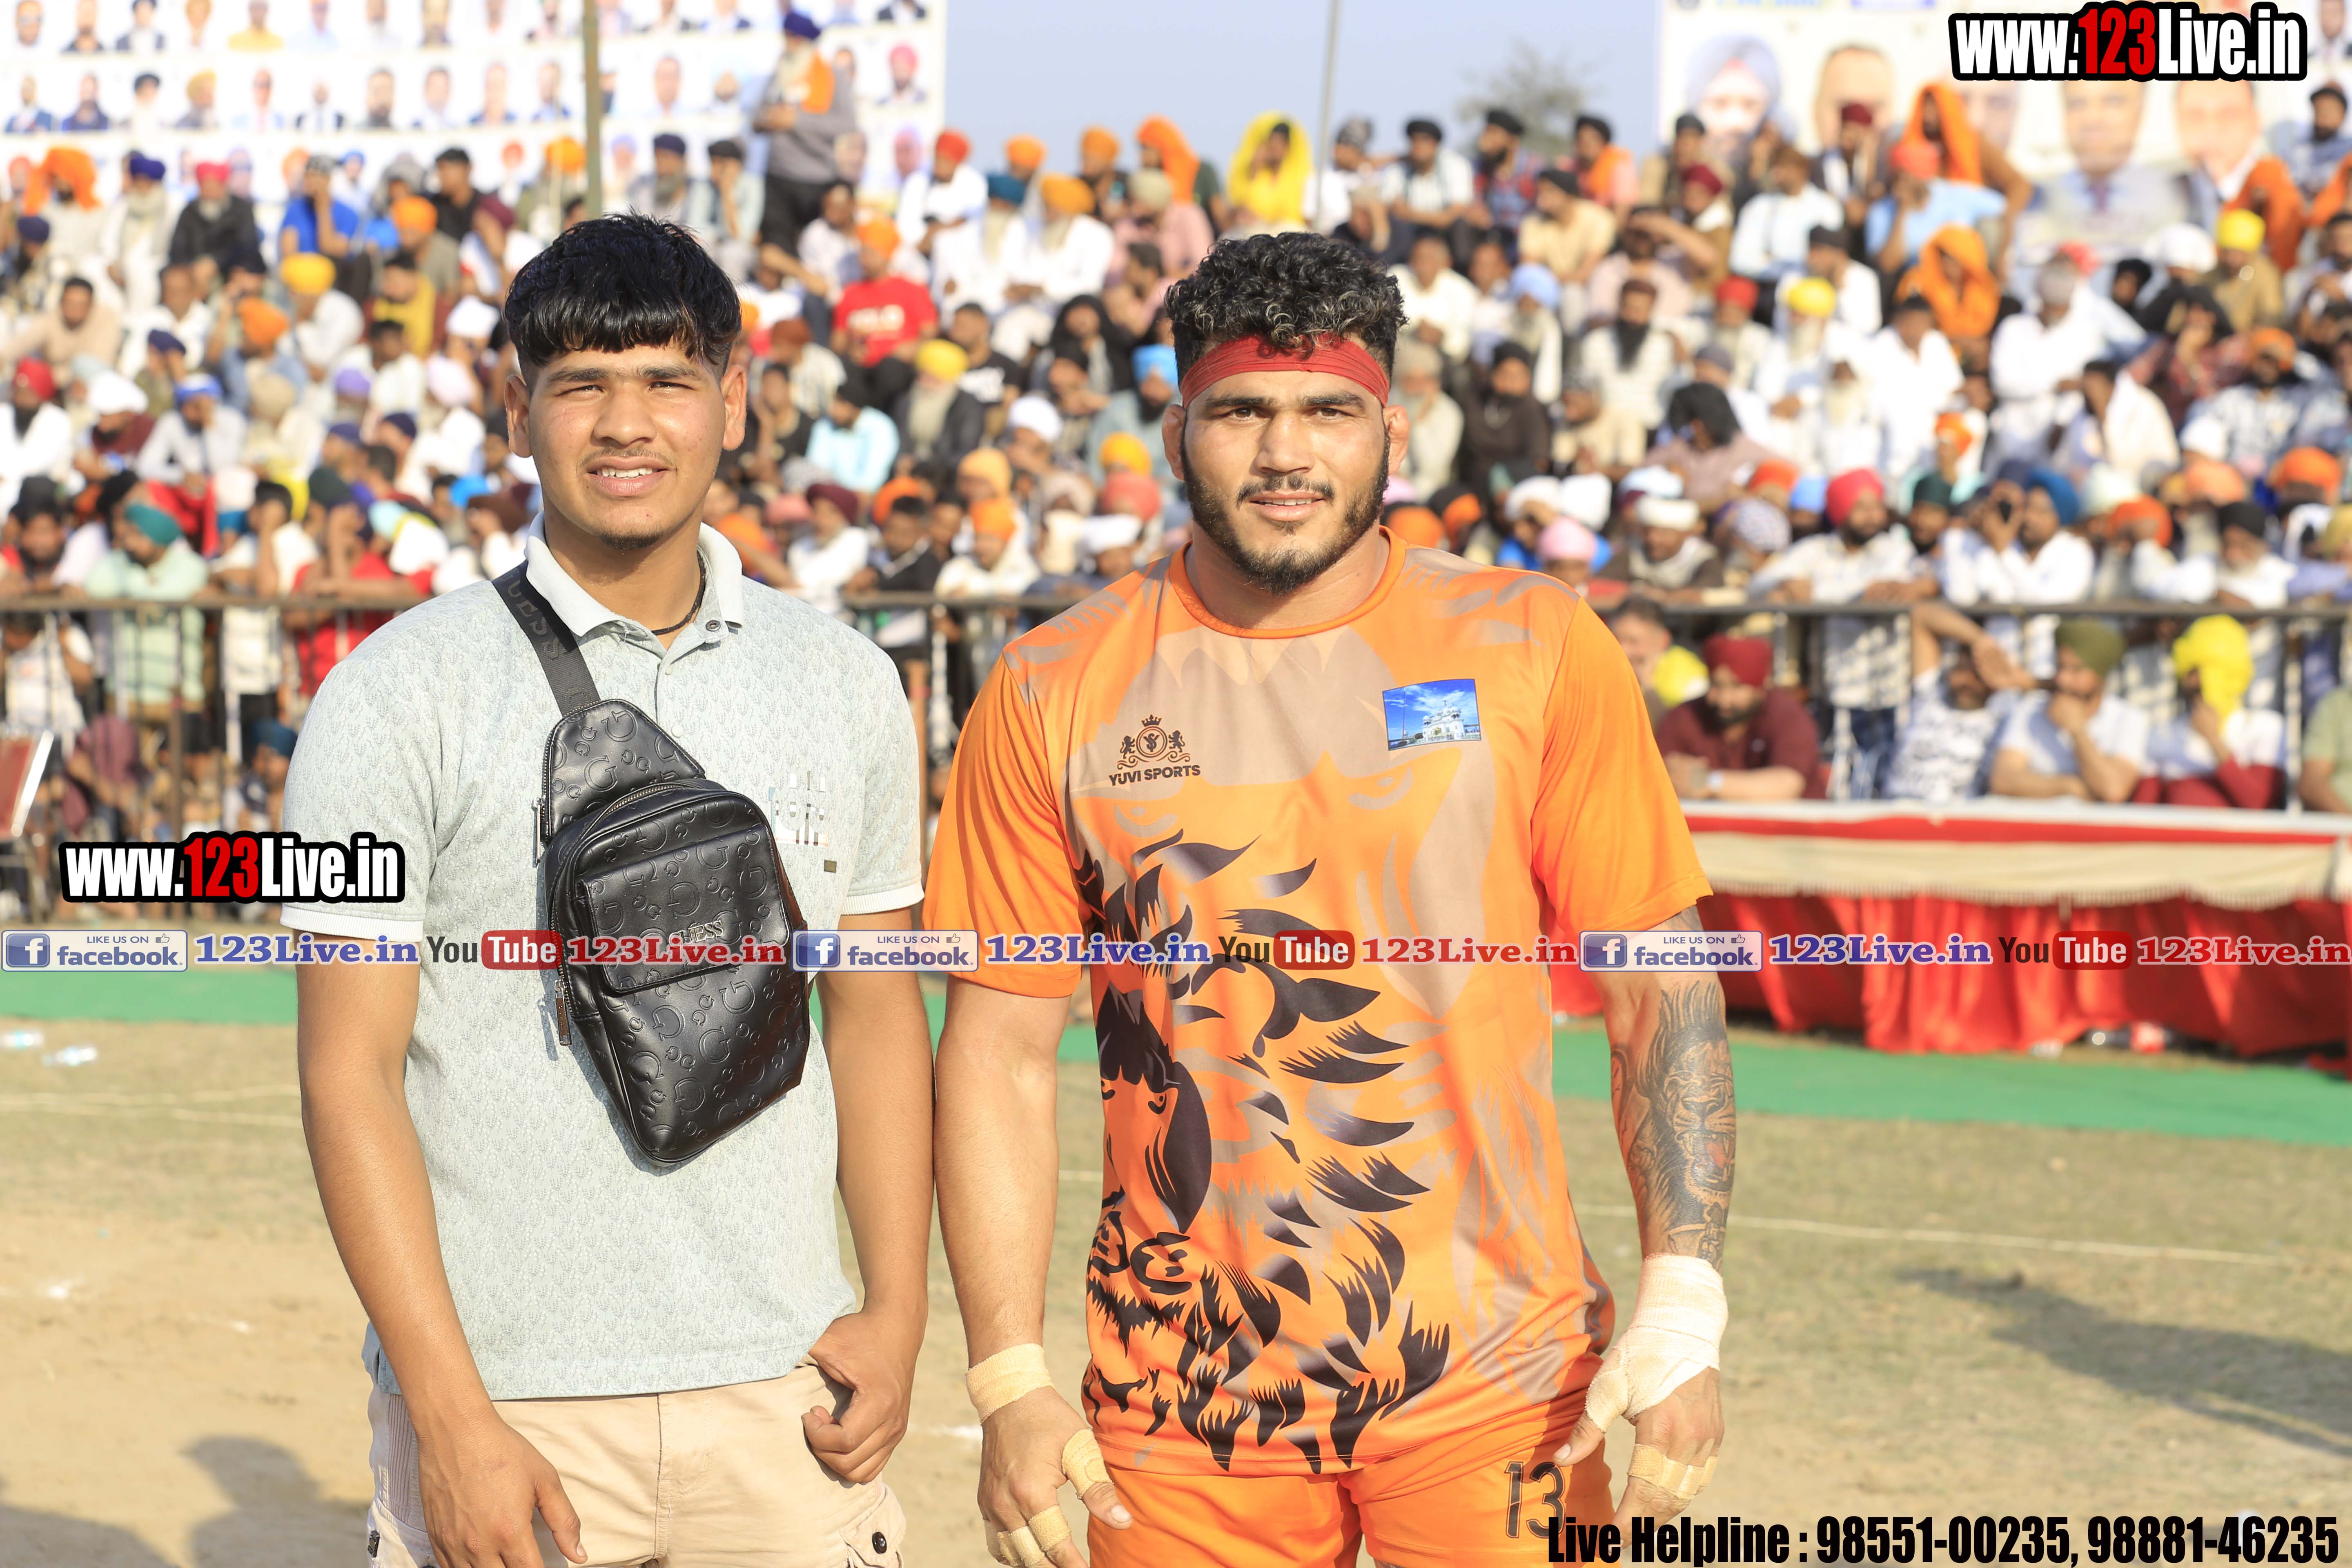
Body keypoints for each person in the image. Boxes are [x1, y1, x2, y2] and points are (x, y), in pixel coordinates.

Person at [926, 230, 1731, 1568]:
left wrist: (1685, 1303)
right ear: (1178, 430)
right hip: (1182, 1402)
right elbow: (999, 1050)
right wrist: (1009, 1374)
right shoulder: (1048, 685)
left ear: (1391, 432)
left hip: (1504, 1382)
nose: (1286, 454)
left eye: (1329, 413)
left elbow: (1662, 985)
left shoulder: (1531, 644)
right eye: (1243, 411)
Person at [285, 213, 931, 1568]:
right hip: (512, 1409)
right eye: (580, 384)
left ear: (736, 400)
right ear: (514, 408)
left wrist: (898, 1307)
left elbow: (876, 1017)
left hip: (788, 1393)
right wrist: (452, 1417)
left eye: (666, 381)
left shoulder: (849, 683)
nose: (625, 424)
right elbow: (349, 1074)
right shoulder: (391, 692)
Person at [1750, 469, 1917, 796]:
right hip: (1833, 688)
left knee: (1883, 785)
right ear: (1841, 511)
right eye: (1861, 508)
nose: (1872, 516)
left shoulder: (1895, 550)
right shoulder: (1816, 550)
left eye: (1876, 507)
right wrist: (1786, 584)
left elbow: (1875, 591)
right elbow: (1758, 585)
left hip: (1886, 690)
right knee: (1838, 785)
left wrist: (1813, 592)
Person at [1882, 601, 2031, 803]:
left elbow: (2054, 690)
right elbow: (1921, 614)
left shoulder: (2004, 718)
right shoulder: (1930, 696)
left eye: (1977, 674)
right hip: (1896, 808)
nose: (1966, 681)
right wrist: (1982, 641)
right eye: (1961, 669)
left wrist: (2014, 676)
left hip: (1956, 816)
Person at [2136, 615, 2285, 807]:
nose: (2193, 681)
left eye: (2201, 672)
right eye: (2189, 671)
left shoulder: (2265, 727)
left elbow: (2258, 802)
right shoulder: (2162, 733)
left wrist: (2214, 741)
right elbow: (2143, 810)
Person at [1656, 633, 1820, 799]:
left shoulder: (1787, 716)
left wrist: (1709, 782)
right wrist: (1674, 769)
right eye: (1716, 685)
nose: (1724, 699)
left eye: (1737, 686)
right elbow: (1658, 767)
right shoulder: (1686, 715)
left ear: (1760, 687)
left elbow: (1786, 785)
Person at [754, 10, 858, 256]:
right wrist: (771, 119)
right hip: (779, 179)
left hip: (817, 181)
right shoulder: (778, 76)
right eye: (787, 38)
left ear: (807, 42)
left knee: (816, 252)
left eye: (795, 39)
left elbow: (847, 124)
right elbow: (755, 120)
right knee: (777, 250)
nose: (789, 45)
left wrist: (797, 121)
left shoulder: (832, 76)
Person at [1726, 144, 1842, 284]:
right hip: (1768, 286)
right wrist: (1780, 269)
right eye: (1774, 167)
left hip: (1815, 285)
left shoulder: (1827, 206)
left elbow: (1830, 256)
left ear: (1802, 170)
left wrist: (1776, 261)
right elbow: (1740, 260)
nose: (1777, 174)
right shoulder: (1759, 206)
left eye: (1784, 167)